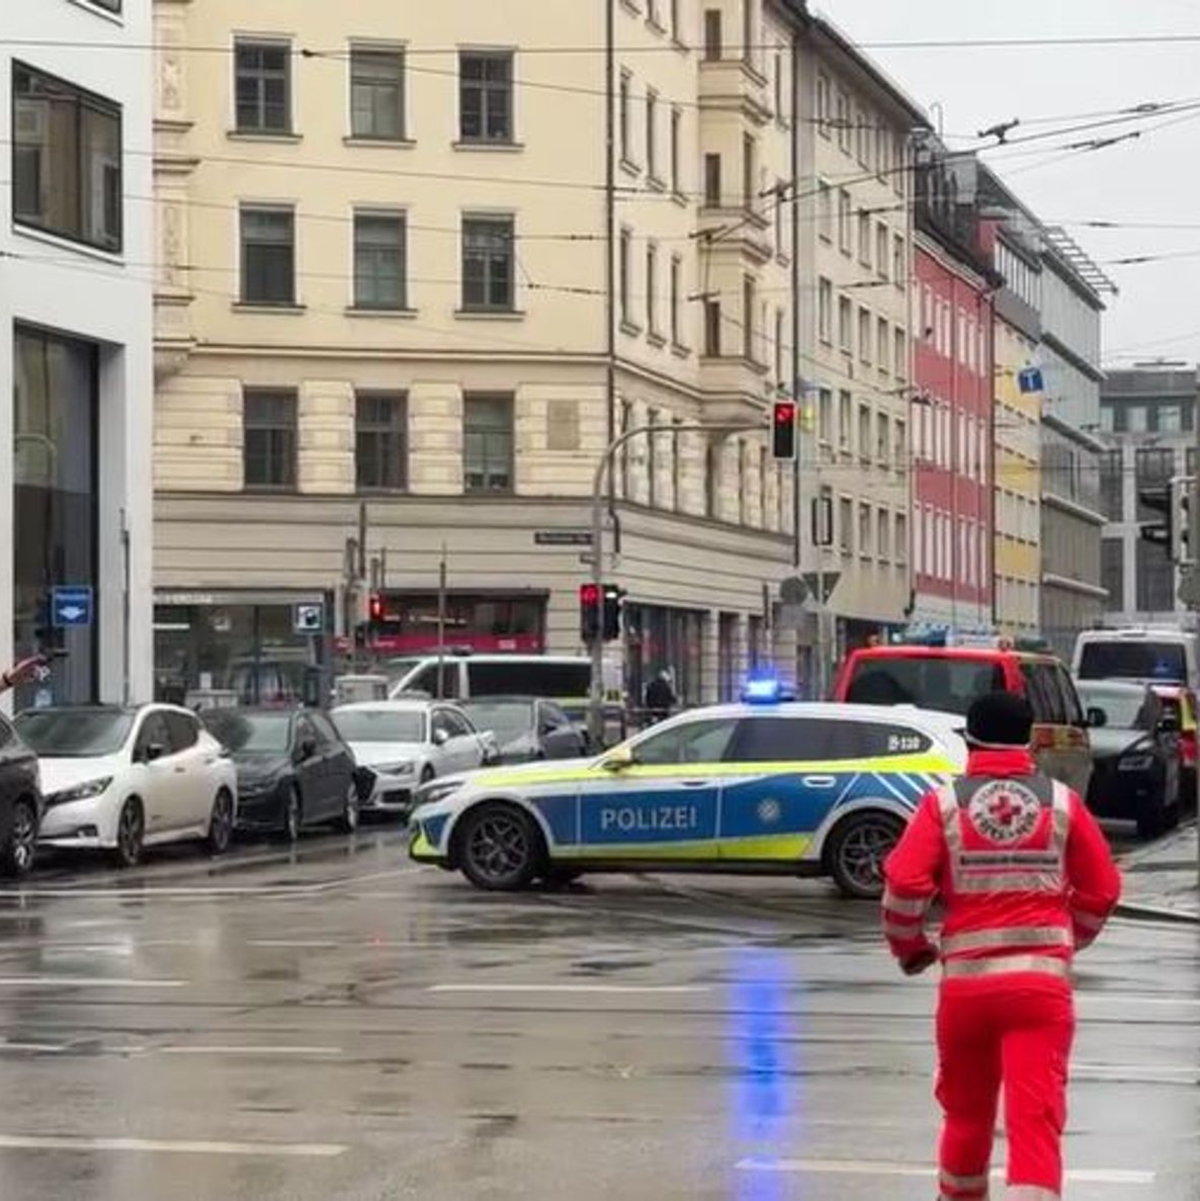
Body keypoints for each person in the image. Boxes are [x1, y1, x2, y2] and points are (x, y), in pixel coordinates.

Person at [882, 690, 1121, 1201]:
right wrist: (1064, 941)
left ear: (970, 741)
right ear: (1030, 741)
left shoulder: (943, 805)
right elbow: (1102, 890)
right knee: (1034, 1122)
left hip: (966, 993)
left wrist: (911, 949)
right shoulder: (1062, 803)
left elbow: (903, 886)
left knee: (966, 1118)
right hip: (1039, 993)